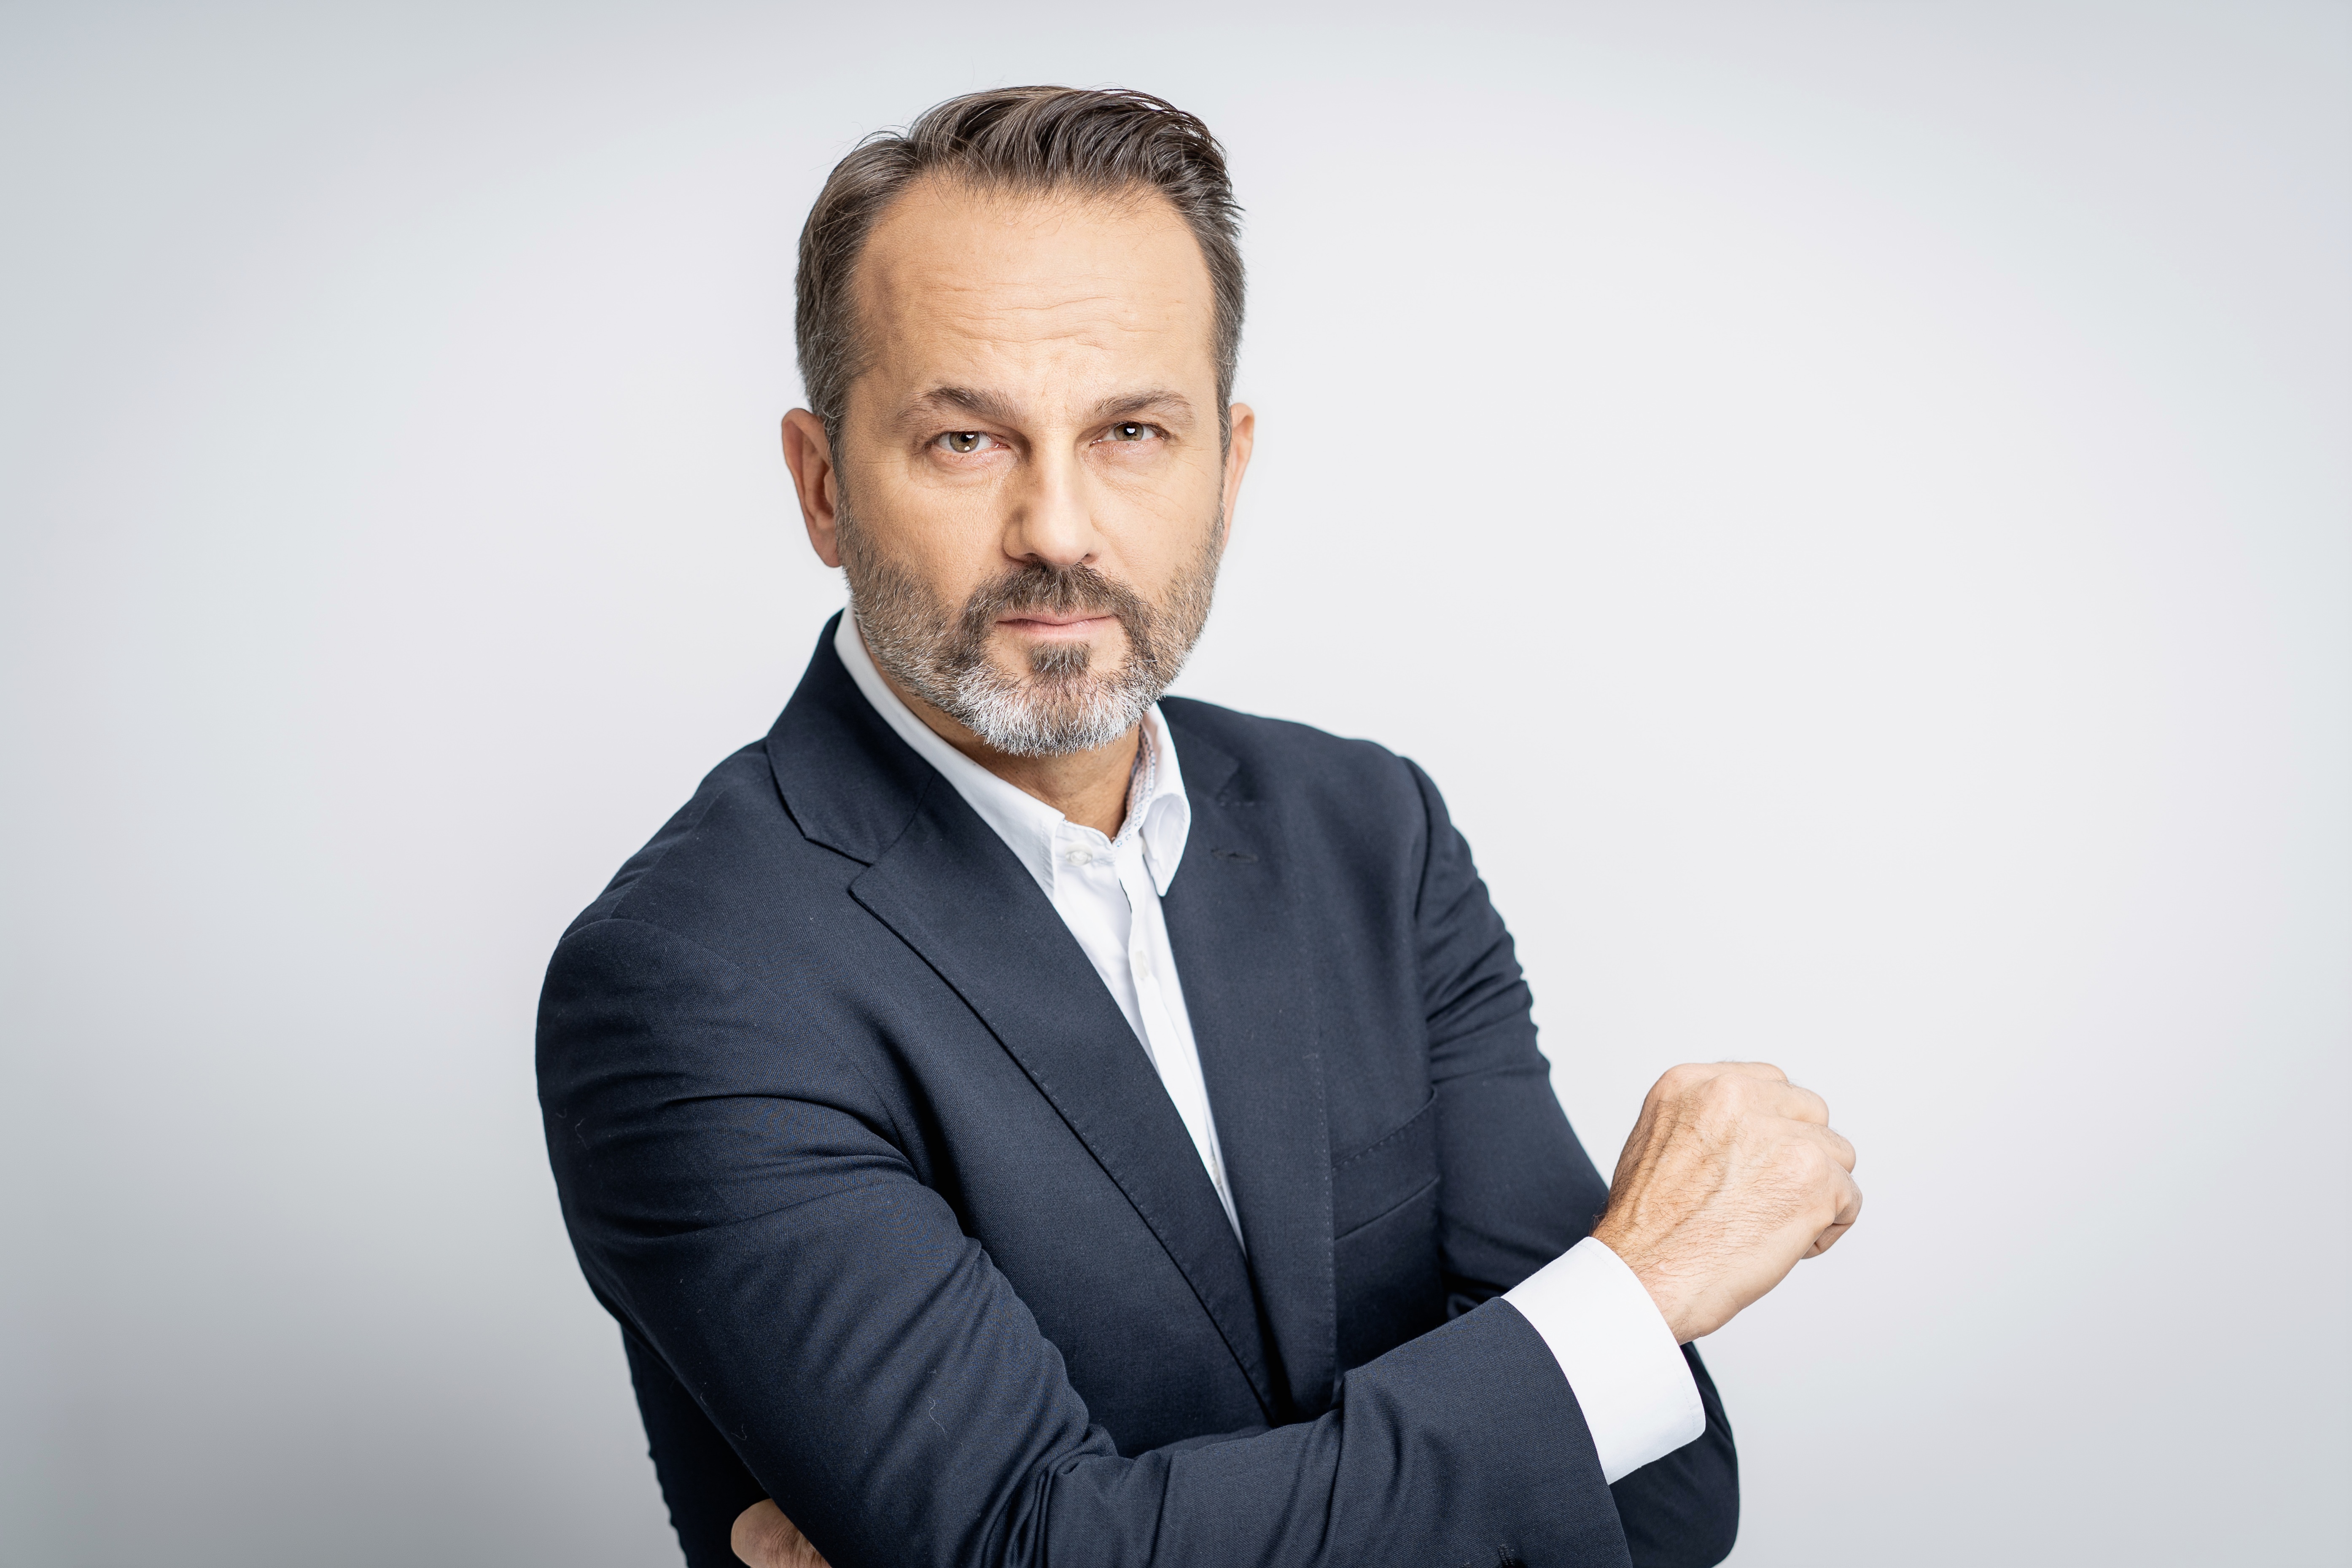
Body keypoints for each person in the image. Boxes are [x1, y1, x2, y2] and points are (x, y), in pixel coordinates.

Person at [537, 85, 1861, 1568]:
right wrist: (1632, 1298)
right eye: (966, 439)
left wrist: (1145, 1523)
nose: (1058, 528)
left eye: (1130, 431)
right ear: (821, 484)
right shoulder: (692, 979)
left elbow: (1659, 1507)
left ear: (1226, 469)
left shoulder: (1370, 836)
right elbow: (1036, 1553)